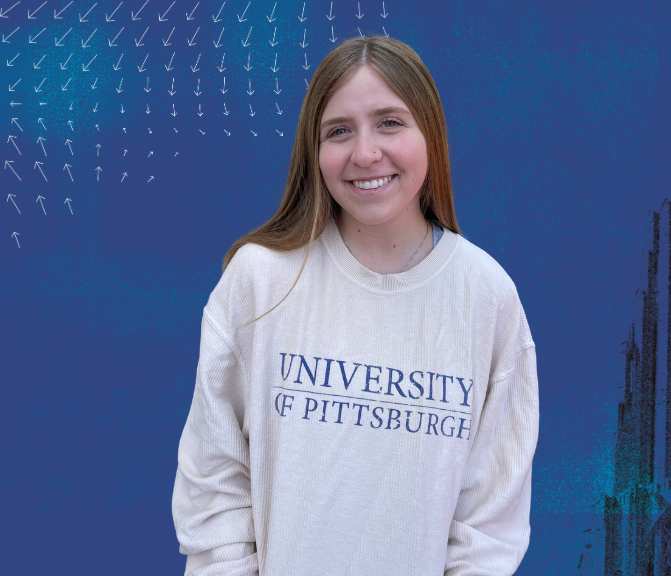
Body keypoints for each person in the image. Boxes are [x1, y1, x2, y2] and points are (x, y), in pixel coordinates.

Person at [171, 35, 539, 576]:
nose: (365, 152)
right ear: (313, 152)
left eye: (390, 122)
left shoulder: (486, 297)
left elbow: (487, 528)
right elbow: (213, 483)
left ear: (430, 134)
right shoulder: (261, 279)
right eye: (339, 131)